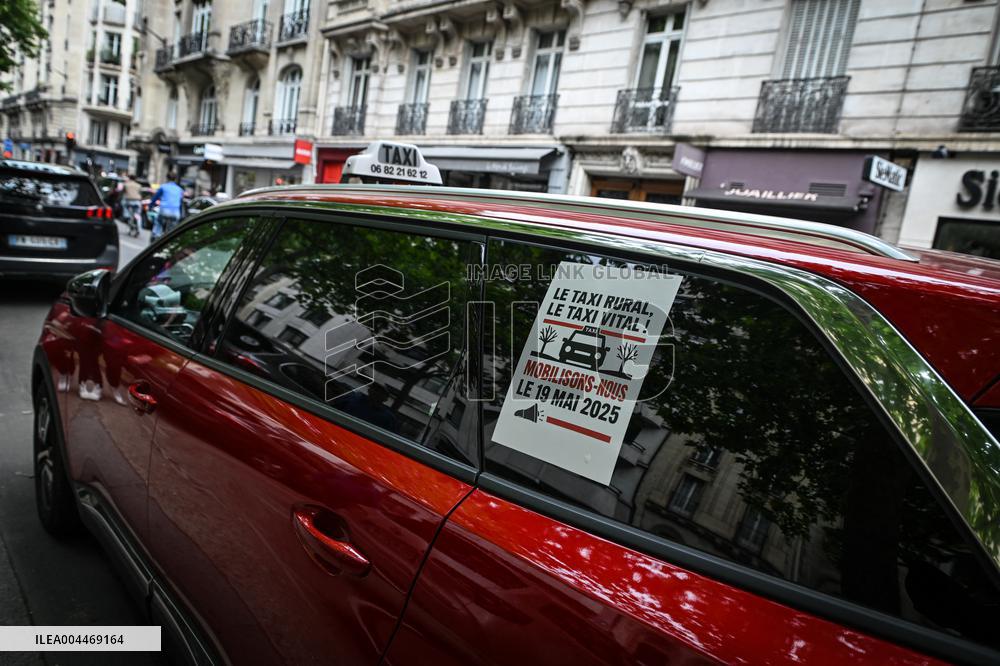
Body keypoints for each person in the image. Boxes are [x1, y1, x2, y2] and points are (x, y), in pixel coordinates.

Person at [149, 171, 184, 242]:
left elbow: (155, 198)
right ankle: (168, 241)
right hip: (175, 213)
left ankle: (156, 236)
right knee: (171, 231)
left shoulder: (163, 187)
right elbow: (180, 203)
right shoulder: (180, 189)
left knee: (158, 222)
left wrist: (150, 206)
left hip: (164, 210)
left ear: (167, 178)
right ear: (175, 179)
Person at [122, 173, 143, 238]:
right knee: (137, 215)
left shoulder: (126, 184)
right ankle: (138, 228)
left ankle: (130, 223)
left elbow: (123, 192)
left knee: (129, 214)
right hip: (137, 202)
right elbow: (140, 193)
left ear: (129, 178)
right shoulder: (139, 185)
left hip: (129, 202)